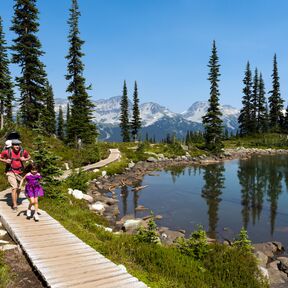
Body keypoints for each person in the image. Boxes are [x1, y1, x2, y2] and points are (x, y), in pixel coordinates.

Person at [0, 139, 30, 211]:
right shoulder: (7, 152)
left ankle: (15, 200)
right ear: (12, 145)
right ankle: (15, 205)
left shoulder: (23, 151)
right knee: (14, 187)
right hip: (10, 171)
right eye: (15, 145)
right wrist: (5, 160)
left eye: (18, 145)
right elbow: (0, 157)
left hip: (20, 172)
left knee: (19, 188)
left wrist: (25, 159)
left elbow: (29, 156)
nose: (17, 146)